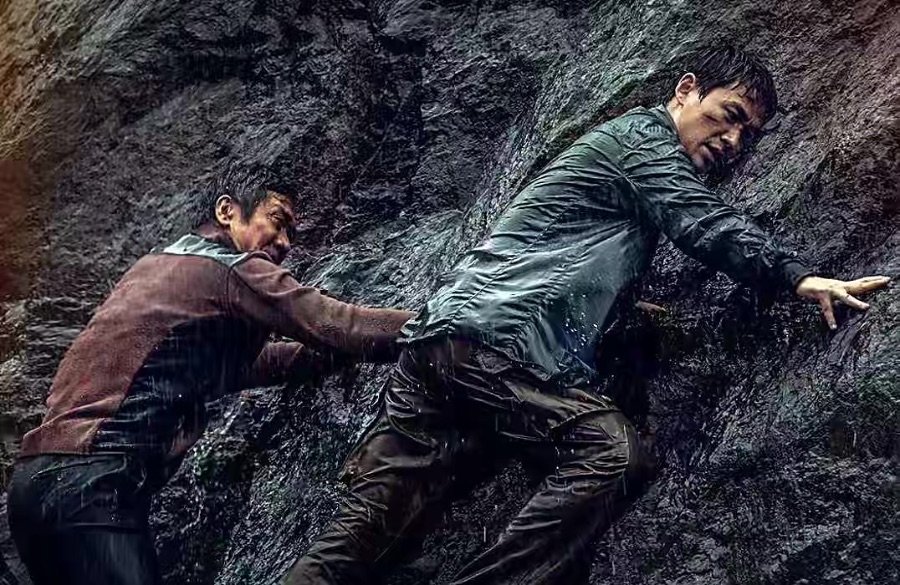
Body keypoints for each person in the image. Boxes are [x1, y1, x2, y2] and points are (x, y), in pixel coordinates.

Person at [282, 45, 890, 584]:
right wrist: (796, 275)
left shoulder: (620, 154)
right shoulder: (644, 143)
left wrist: (636, 316)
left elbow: (573, 259)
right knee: (613, 455)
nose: (732, 140)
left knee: (359, 539)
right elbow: (698, 219)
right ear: (686, 91)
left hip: (442, 345)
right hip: (497, 344)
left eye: (747, 135)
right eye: (728, 115)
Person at [6, 173, 416, 585]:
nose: (285, 243)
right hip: (93, 485)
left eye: (291, 233)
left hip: (32, 489)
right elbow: (335, 322)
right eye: (277, 221)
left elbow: (231, 369)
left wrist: (316, 358)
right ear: (226, 211)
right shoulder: (232, 268)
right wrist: (435, 321)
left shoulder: (153, 270)